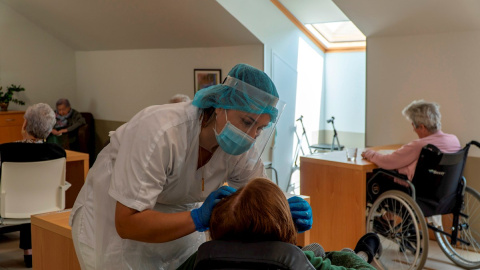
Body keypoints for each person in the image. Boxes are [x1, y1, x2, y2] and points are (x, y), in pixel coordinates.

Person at [69, 63, 312, 270]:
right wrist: (198, 217)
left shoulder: (242, 150)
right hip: (114, 222)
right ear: (220, 105)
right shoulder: (161, 132)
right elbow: (127, 223)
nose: (251, 135)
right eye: (247, 122)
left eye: (260, 128)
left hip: (177, 220)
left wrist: (283, 211)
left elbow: (260, 194)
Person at [177, 178, 379, 270]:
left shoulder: (203, 258)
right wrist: (338, 257)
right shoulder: (295, 260)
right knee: (336, 253)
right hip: (316, 256)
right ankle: (360, 252)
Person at [361, 100, 461, 231]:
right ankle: (389, 220)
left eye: (413, 125)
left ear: (422, 127)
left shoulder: (419, 145)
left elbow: (388, 162)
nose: (413, 129)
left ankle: (385, 220)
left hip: (418, 194)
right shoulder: (453, 140)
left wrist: (370, 153)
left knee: (375, 178)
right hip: (446, 193)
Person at [0, 103, 66, 268]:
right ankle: (30, 252)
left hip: (9, 207)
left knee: (19, 192)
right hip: (45, 206)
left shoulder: (5, 151)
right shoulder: (58, 152)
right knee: (32, 194)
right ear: (50, 129)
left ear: (25, 125)